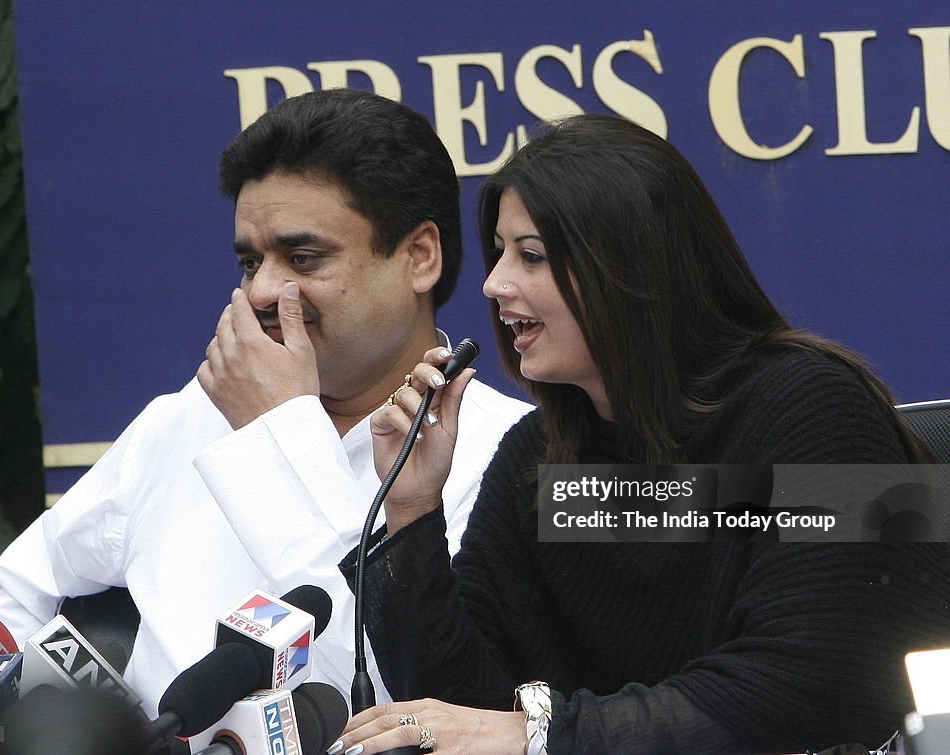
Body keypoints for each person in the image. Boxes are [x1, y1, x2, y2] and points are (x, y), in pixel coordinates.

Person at [335, 115, 950, 754]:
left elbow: (816, 683)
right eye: (499, 253)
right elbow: (455, 716)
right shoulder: (537, 460)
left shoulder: (821, 403)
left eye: (533, 255)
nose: (494, 285)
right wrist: (410, 509)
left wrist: (548, 736)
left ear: (631, 267)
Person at [0, 89, 531, 716]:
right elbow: (14, 599)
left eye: (302, 258)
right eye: (249, 262)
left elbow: (399, 687)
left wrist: (277, 436)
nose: (264, 290)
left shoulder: (516, 456)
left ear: (418, 257)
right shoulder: (192, 416)